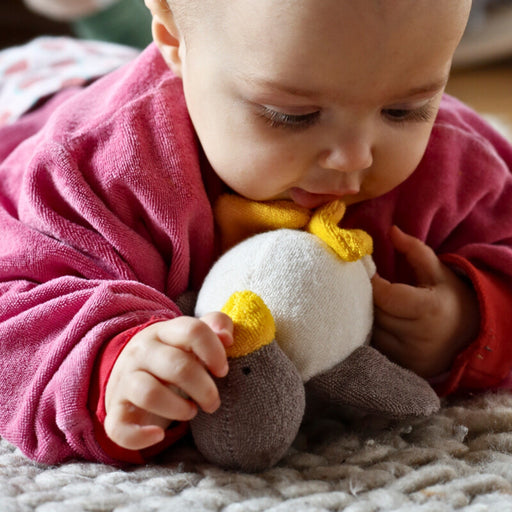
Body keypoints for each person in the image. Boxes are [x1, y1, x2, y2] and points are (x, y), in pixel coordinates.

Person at [1, 0, 511, 466]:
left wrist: (469, 318)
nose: (355, 158)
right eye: (293, 115)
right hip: (33, 92)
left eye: (405, 110)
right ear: (175, 39)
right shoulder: (97, 166)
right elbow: (18, 307)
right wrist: (110, 365)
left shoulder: (456, 161)